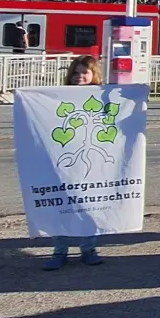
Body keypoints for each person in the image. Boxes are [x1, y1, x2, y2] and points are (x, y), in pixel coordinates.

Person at [44, 55, 108, 270]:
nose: (79, 77)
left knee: (88, 206)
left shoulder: (102, 96)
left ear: (94, 75)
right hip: (63, 158)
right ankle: (59, 251)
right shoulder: (58, 96)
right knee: (61, 206)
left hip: (90, 161)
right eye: (76, 73)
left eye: (84, 73)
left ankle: (88, 248)